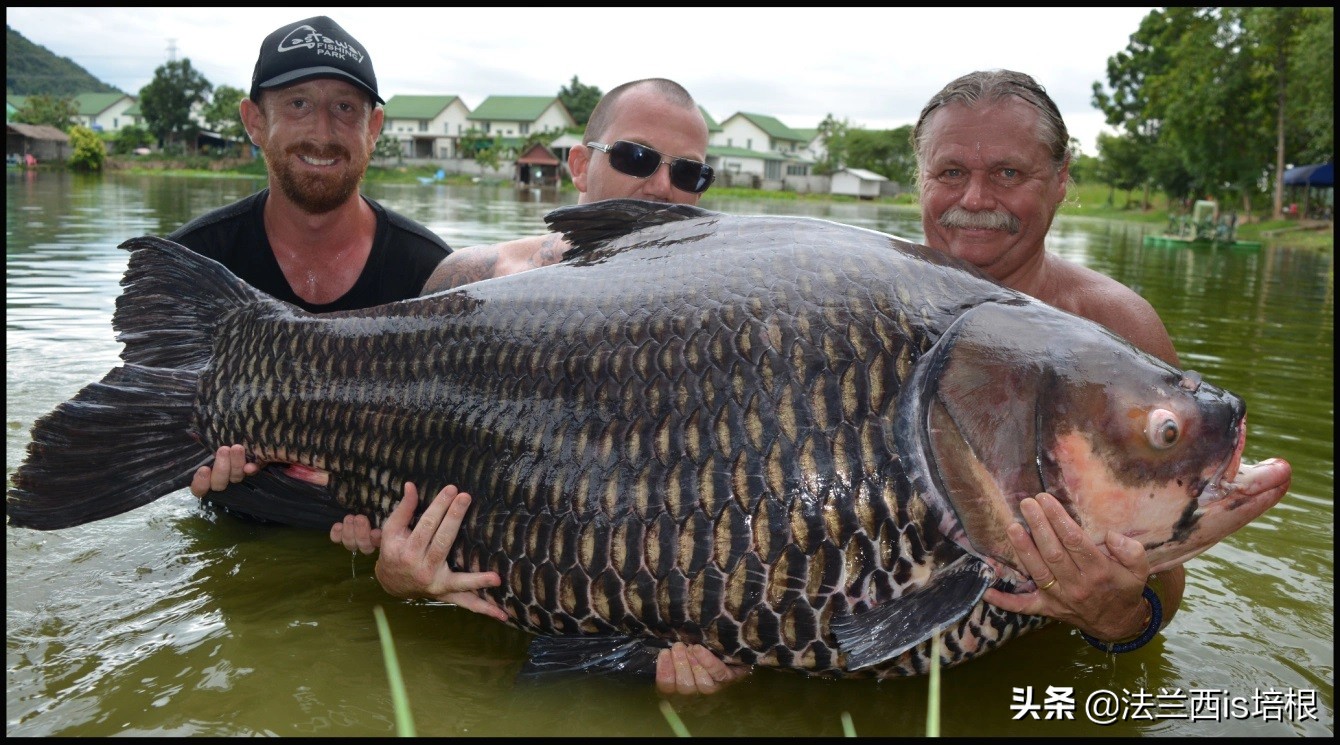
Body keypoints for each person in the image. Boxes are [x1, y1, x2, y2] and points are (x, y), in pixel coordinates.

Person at [197, 76, 742, 695]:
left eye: (690, 174)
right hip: (470, 632)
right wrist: (388, 563)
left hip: (611, 626)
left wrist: (740, 638)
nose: (661, 187)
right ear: (580, 165)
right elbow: (388, 476)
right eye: (637, 158)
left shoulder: (726, 323)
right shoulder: (472, 279)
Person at [911, 69, 1186, 650]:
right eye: (951, 172)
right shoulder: (859, 309)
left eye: (1008, 173)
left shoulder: (1115, 327)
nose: (975, 200)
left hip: (1031, 665)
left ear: (1061, 180)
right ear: (921, 179)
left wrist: (1117, 618)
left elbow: (1167, 575)